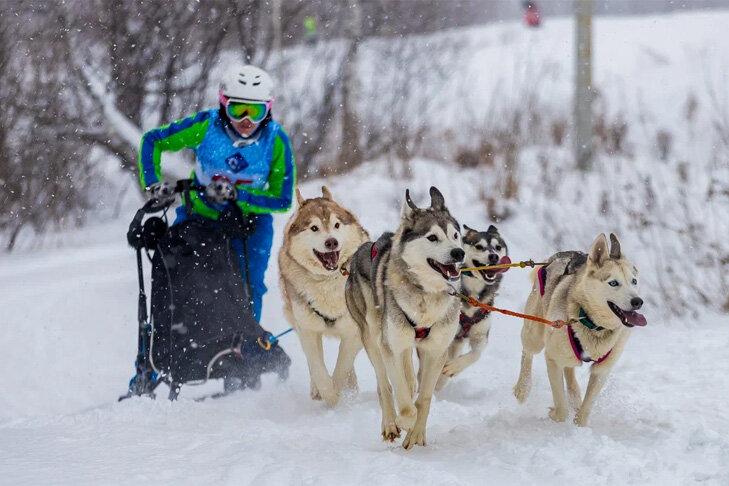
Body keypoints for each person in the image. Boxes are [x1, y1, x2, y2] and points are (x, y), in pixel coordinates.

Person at [138, 64, 296, 323]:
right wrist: (153, 183)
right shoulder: (205, 126)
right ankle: (175, 342)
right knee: (177, 276)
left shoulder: (276, 140)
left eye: (256, 112)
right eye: (238, 109)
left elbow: (282, 199)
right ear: (224, 105)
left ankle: (246, 345)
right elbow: (153, 140)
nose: (247, 120)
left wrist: (238, 195)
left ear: (268, 110)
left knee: (248, 285)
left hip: (250, 224)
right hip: (199, 216)